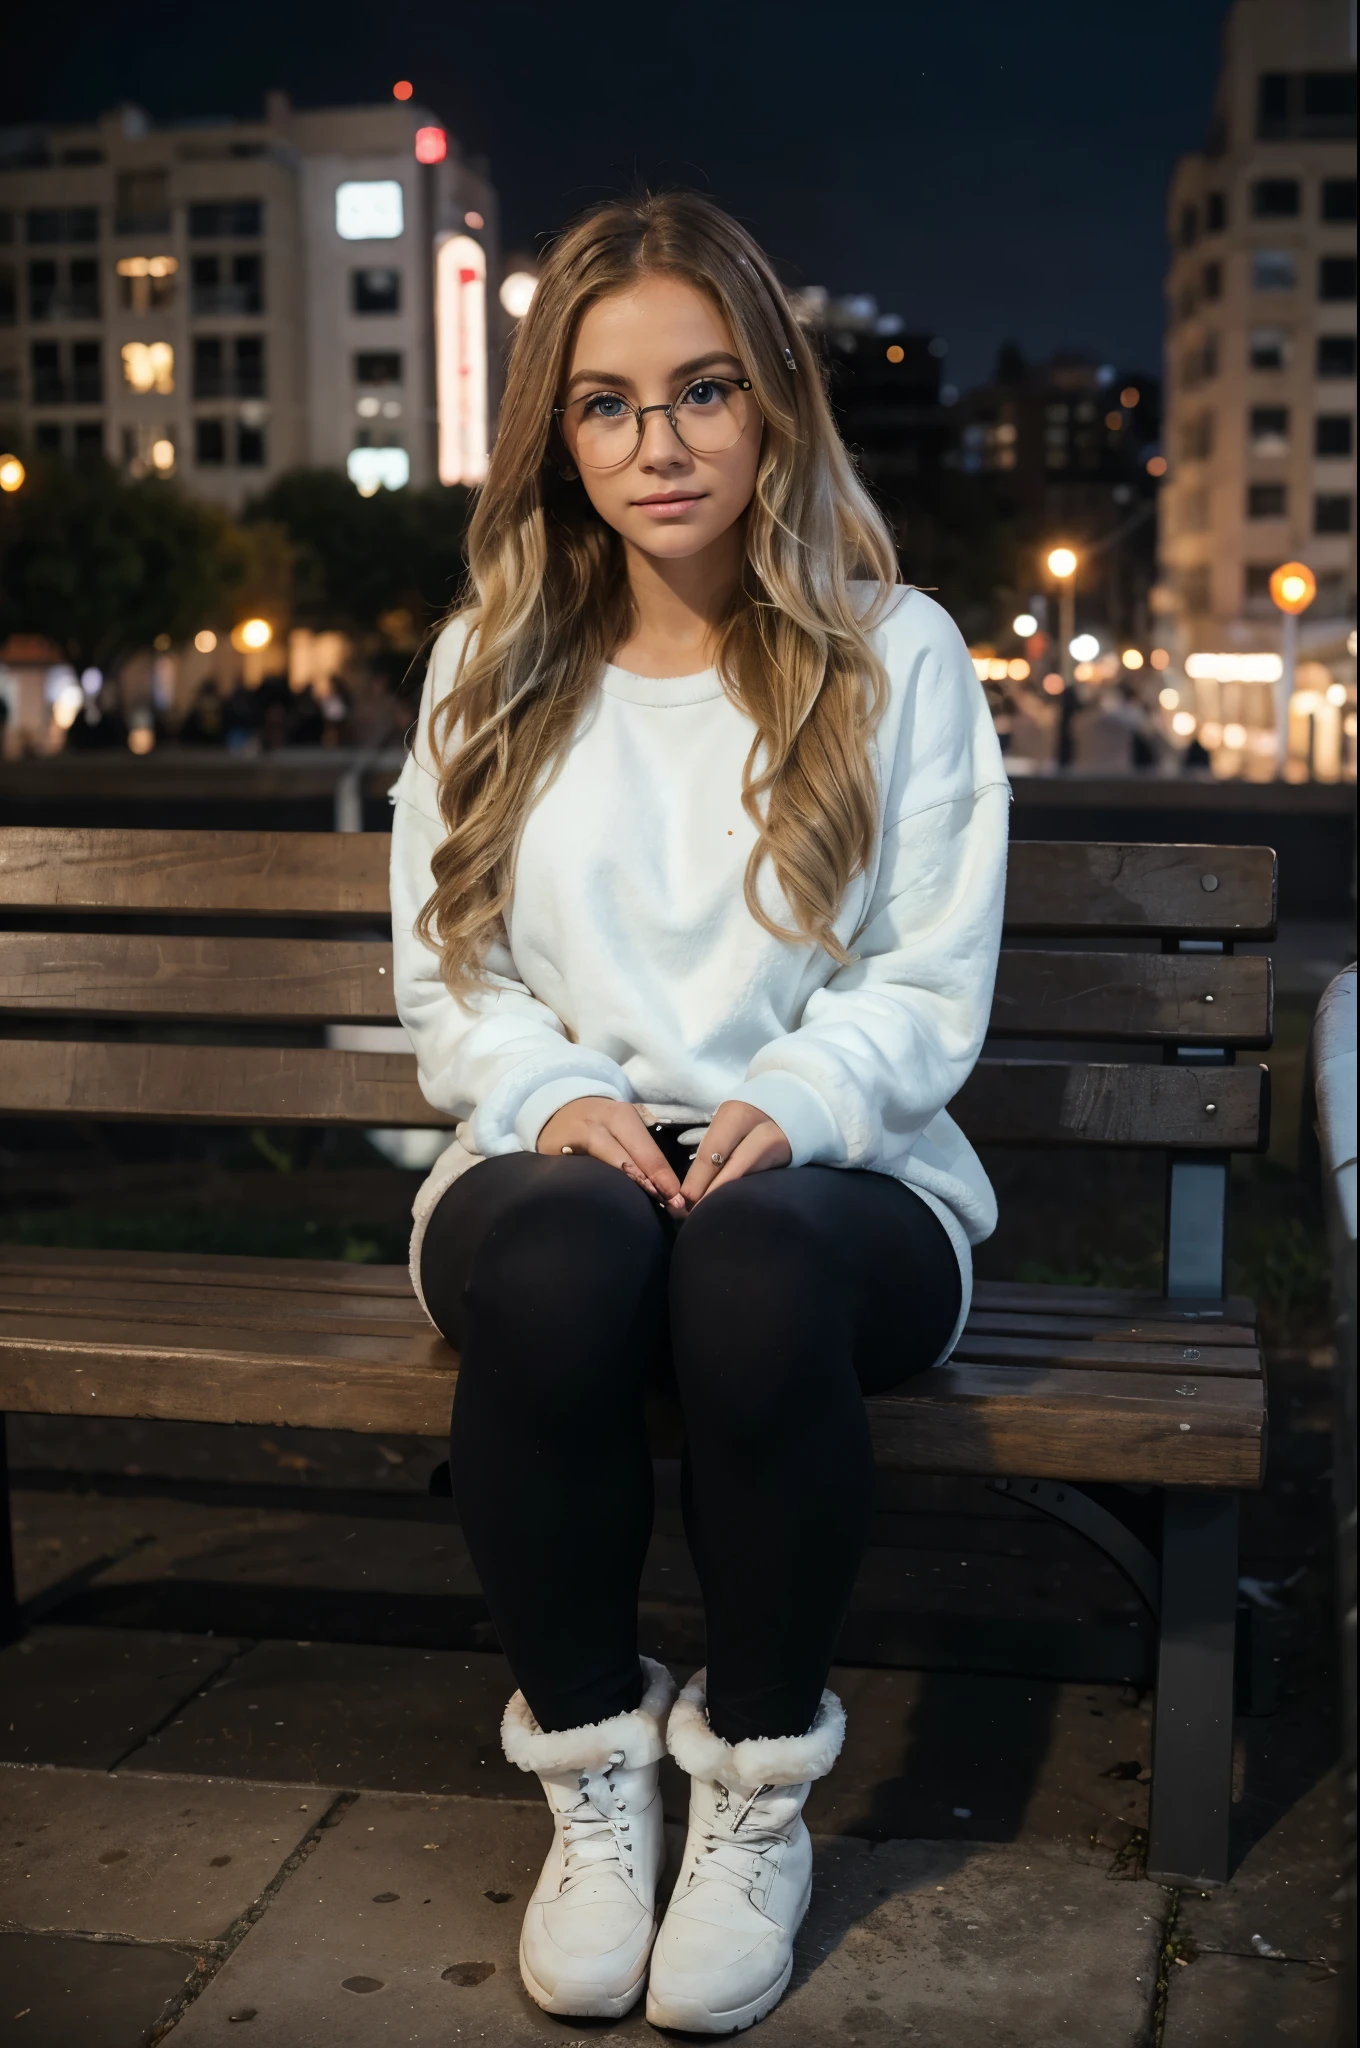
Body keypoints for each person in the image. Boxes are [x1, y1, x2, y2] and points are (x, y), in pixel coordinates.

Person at [390, 192, 1008, 2033]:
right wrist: (553, 1090)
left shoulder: (896, 652)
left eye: (703, 389)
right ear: (554, 432)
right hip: (552, 1158)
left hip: (844, 1182)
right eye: (606, 403)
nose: (658, 445)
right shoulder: (492, 664)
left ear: (775, 406)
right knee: (568, 1262)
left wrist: (801, 1099)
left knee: (746, 1268)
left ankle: (752, 1790)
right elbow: (454, 978)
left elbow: (926, 978)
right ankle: (594, 1783)